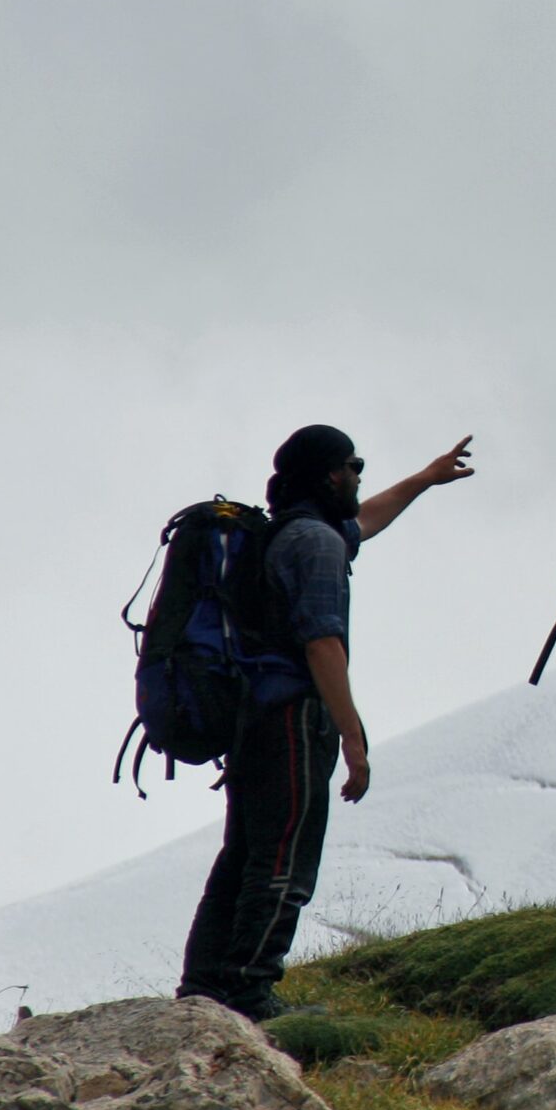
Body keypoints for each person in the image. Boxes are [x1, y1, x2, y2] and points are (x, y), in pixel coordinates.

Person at [175, 425, 475, 1018]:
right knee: (285, 857)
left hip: (251, 718)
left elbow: (365, 521)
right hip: (293, 719)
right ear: (329, 475)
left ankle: (204, 988)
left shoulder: (291, 532)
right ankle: (250, 991)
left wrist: (424, 478)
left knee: (243, 853)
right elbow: (322, 645)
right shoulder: (315, 545)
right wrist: (353, 736)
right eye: (352, 465)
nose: (359, 475)